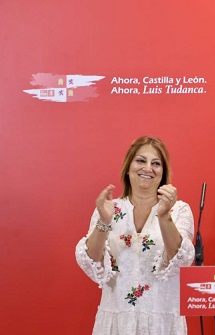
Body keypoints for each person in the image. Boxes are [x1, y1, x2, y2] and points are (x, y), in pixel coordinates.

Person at [75, 136, 195, 335]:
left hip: (162, 325)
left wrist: (164, 215)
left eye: (156, 163)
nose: (148, 168)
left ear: (163, 172)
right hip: (115, 324)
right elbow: (92, 261)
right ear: (128, 167)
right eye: (141, 160)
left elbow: (180, 259)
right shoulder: (108, 208)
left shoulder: (179, 210)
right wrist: (104, 222)